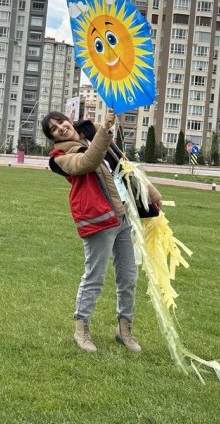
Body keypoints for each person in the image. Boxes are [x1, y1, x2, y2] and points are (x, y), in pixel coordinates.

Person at [41, 109, 161, 354]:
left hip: (123, 215)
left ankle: (124, 329)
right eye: (53, 129)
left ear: (69, 119)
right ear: (53, 138)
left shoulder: (93, 133)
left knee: (128, 277)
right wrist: (104, 130)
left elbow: (124, 165)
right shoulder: (60, 157)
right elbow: (88, 162)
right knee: (94, 277)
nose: (61, 128)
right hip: (98, 220)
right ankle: (81, 329)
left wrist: (149, 190)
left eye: (61, 121)